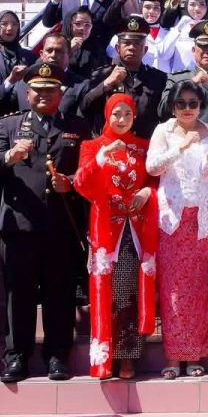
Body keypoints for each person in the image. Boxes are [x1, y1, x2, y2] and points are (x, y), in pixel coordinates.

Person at [0, 60, 89, 384]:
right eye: (38, 90)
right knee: (19, 295)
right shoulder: (10, 125)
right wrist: (10, 156)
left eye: (51, 90)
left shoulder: (76, 126)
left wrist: (70, 182)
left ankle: (57, 356)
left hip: (61, 225)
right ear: (27, 93)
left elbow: (89, 170)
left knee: (60, 294)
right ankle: (16, 357)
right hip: (20, 226)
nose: (44, 95)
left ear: (60, 92)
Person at [72, 94, 157, 381]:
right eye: (116, 114)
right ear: (107, 115)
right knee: (103, 293)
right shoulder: (92, 146)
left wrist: (147, 192)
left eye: (127, 114)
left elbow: (157, 180)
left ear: (134, 116)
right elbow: (81, 183)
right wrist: (101, 157)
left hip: (135, 229)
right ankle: (104, 358)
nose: (122, 119)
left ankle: (128, 357)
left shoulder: (144, 147)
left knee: (128, 293)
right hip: (106, 230)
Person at [146, 82, 208, 378]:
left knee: (201, 288)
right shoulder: (163, 131)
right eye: (181, 104)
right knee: (173, 289)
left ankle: (195, 355)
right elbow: (152, 167)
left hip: (203, 217)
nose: (188, 109)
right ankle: (173, 355)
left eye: (193, 103)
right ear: (172, 106)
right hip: (172, 218)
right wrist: (179, 147)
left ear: (201, 104)